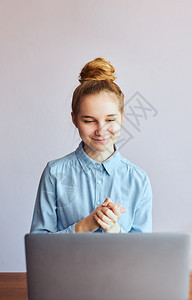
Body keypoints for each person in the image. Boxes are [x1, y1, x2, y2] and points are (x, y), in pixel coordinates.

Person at [30, 57, 152, 234]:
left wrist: (115, 231)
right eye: (89, 120)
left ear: (123, 117)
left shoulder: (138, 180)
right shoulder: (54, 173)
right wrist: (85, 225)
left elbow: (143, 255)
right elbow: (38, 247)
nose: (101, 131)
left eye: (110, 119)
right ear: (75, 119)